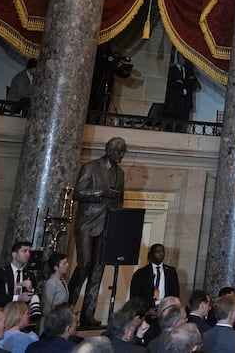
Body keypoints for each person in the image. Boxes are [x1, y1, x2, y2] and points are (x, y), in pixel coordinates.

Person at [72, 137, 128, 327]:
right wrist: (100, 193)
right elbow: (77, 193)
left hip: (106, 226)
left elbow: (120, 201)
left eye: (123, 152)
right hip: (87, 224)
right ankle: (68, 309)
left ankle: (88, 315)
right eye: (119, 152)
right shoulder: (90, 167)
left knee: (98, 271)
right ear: (108, 149)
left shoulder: (120, 173)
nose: (121, 156)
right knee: (84, 265)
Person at [163, 54, 200, 125]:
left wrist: (182, 82)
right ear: (178, 57)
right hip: (174, 103)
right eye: (182, 57)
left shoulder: (189, 70)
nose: (184, 59)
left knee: (183, 124)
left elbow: (193, 83)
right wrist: (186, 82)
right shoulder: (171, 70)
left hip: (185, 103)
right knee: (172, 123)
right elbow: (171, 84)